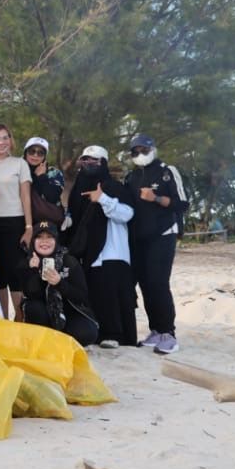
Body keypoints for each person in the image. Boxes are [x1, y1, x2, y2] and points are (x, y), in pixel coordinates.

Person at [64, 145, 138, 348]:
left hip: (112, 251)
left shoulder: (114, 187)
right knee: (96, 294)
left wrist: (103, 199)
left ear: (103, 163)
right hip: (88, 254)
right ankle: (101, 334)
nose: (89, 164)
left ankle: (117, 335)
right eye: (85, 160)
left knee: (114, 294)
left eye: (94, 161)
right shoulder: (78, 189)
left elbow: (127, 214)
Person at [124, 133, 188, 355]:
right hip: (138, 238)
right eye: (135, 151)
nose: (140, 154)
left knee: (158, 283)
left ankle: (168, 333)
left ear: (152, 149)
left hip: (163, 234)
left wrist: (156, 198)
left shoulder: (167, 171)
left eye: (144, 149)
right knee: (145, 284)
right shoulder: (131, 177)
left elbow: (182, 203)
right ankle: (156, 330)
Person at [0, 124, 34, 320]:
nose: (1, 142)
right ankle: (2, 318)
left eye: (5, 138)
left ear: (11, 140)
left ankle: (19, 317)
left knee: (15, 271)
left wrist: (29, 227)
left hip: (14, 221)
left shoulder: (20, 164)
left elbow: (25, 196)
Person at [19, 222, 99, 347]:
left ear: (56, 240)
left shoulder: (69, 261)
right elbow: (31, 294)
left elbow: (82, 296)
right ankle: (49, 339)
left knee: (87, 333)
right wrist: (34, 271)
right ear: (33, 241)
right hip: (43, 314)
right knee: (33, 308)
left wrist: (60, 283)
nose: (44, 241)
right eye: (39, 237)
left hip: (68, 312)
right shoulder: (27, 263)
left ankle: (58, 338)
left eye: (49, 237)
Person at [23, 137, 66, 228]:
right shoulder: (17, 171)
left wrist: (41, 177)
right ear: (25, 152)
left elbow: (53, 198)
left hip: (46, 224)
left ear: (45, 156)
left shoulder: (54, 173)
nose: (35, 155)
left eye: (40, 153)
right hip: (20, 220)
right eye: (32, 151)